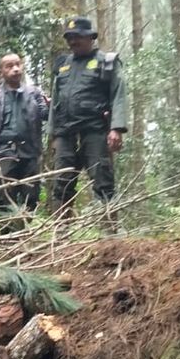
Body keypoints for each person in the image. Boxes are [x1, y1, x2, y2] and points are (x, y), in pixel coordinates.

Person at [49, 16, 128, 227]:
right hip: (66, 134)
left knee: (102, 181)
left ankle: (109, 233)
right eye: (70, 38)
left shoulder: (106, 62)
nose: (73, 42)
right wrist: (53, 134)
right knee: (62, 183)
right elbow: (54, 101)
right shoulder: (62, 66)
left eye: (78, 37)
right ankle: (60, 235)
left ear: (91, 37)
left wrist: (116, 129)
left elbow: (118, 95)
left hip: (95, 132)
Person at [0, 53, 49, 233]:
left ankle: (23, 231)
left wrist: (49, 105)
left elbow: (46, 115)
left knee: (31, 194)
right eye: (9, 66)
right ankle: (7, 235)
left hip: (30, 151)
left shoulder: (34, 93)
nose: (16, 69)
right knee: (3, 195)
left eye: (18, 64)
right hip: (4, 152)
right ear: (0, 72)